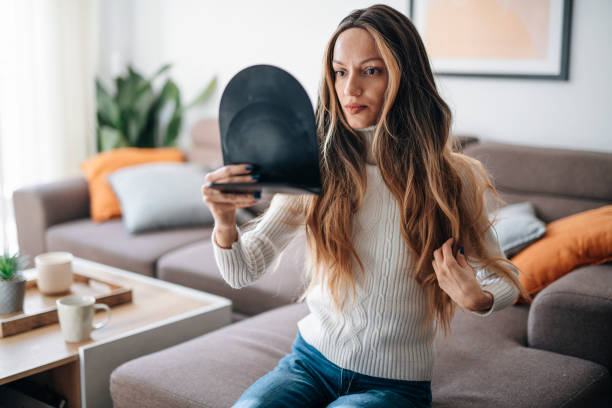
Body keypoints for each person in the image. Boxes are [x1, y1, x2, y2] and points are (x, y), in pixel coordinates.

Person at [201, 4, 531, 407]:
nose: (349, 89)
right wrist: (224, 223)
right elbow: (243, 270)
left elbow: (506, 278)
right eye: (340, 72)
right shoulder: (318, 167)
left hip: (394, 385)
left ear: (403, 77)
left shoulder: (452, 178)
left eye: (370, 70)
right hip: (308, 363)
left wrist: (478, 298)